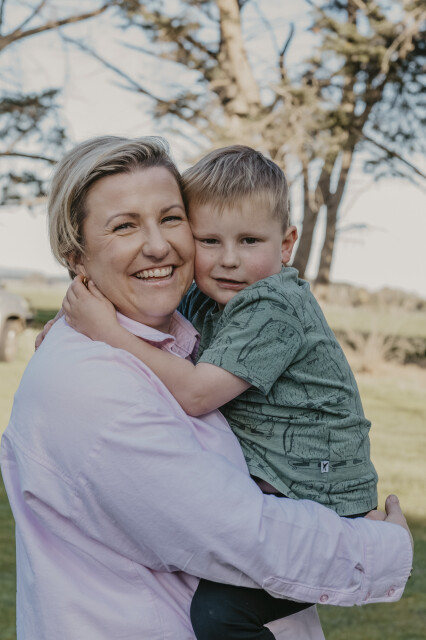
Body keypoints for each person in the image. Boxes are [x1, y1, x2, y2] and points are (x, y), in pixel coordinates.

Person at [1, 136, 413, 640]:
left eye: (171, 218)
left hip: (321, 484)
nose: (158, 245)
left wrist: (89, 323)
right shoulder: (92, 386)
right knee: (221, 614)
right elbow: (236, 533)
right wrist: (381, 547)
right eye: (125, 225)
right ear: (76, 258)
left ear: (285, 243)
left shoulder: (191, 322)